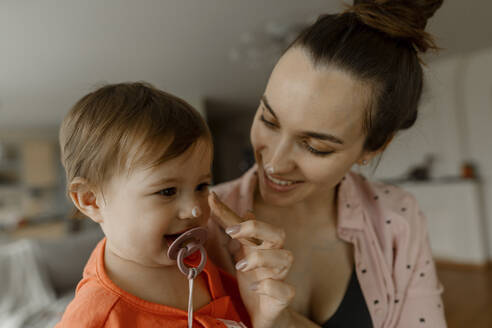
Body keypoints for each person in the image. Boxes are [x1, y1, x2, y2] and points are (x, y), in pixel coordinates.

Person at [206, 0, 447, 327]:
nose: (275, 163)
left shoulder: (398, 219)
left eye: (316, 146)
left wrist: (283, 323)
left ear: (373, 148)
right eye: (269, 120)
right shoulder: (201, 224)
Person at [55, 82, 264, 327]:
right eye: (167, 191)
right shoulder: (97, 317)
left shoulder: (196, 260)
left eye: (201, 187)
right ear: (91, 200)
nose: (195, 209)